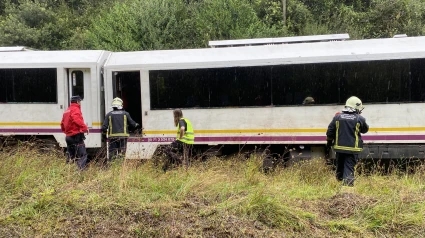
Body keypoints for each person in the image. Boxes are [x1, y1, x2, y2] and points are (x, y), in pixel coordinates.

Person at [326, 96, 369, 186]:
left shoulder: (337, 117)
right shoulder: (359, 119)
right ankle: (348, 188)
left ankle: (339, 183)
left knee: (340, 167)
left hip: (339, 148)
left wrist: (329, 143)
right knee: (349, 167)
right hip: (352, 149)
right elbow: (365, 130)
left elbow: (330, 132)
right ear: (356, 108)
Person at [102, 97, 139, 162]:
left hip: (112, 138)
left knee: (112, 155)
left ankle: (113, 168)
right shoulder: (126, 114)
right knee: (122, 154)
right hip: (123, 138)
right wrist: (137, 125)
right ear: (121, 105)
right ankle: (121, 167)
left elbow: (104, 127)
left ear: (113, 106)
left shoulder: (109, 114)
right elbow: (133, 124)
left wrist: (104, 136)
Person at [61, 95, 89, 170]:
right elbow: (76, 119)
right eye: (80, 102)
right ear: (77, 102)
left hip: (68, 137)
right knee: (82, 155)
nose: (80, 103)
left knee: (71, 156)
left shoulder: (67, 111)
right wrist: (85, 128)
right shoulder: (75, 109)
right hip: (76, 136)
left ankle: (67, 171)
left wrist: (67, 132)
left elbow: (62, 124)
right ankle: (79, 172)